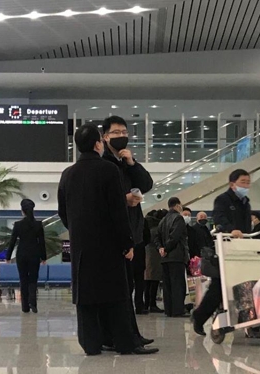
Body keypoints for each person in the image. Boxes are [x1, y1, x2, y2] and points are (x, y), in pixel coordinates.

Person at [57, 124, 157, 356]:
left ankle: (91, 344)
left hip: (81, 246)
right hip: (109, 244)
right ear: (97, 144)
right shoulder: (108, 170)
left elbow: (63, 212)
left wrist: (77, 231)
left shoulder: (68, 174)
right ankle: (124, 343)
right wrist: (127, 243)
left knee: (86, 296)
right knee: (116, 295)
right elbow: (117, 212)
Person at [102, 115, 153, 315]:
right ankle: (116, 334)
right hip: (114, 235)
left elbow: (147, 185)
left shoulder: (125, 162)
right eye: (116, 132)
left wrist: (132, 163)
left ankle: (130, 332)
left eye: (124, 132)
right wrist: (123, 199)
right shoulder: (104, 163)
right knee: (116, 287)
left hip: (134, 232)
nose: (121, 136)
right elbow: (98, 198)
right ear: (105, 137)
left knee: (130, 283)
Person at [191, 169, 252, 336]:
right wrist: (232, 230)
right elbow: (219, 219)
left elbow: (247, 226)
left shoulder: (246, 202)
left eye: (248, 182)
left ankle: (245, 320)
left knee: (243, 285)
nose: (246, 185)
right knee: (219, 287)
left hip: (242, 250)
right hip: (225, 248)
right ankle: (199, 316)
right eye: (243, 182)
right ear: (233, 184)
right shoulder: (222, 200)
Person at [6, 199, 47, 314]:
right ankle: (33, 304)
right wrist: (43, 257)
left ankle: (25, 307)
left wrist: (8, 256)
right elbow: (42, 242)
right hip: (35, 255)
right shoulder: (38, 224)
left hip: (22, 255)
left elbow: (12, 241)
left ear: (22, 211)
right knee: (33, 280)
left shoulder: (18, 225)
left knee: (23, 280)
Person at [155, 197, 190, 317]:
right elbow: (175, 236)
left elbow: (157, 237)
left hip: (165, 258)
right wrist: (166, 248)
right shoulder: (178, 218)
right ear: (177, 205)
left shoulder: (163, 220)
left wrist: (161, 248)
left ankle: (168, 310)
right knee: (177, 284)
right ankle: (178, 310)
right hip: (176, 255)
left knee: (167, 285)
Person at [144, 209, 167, 313]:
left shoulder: (148, 226)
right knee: (154, 281)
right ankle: (152, 304)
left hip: (148, 256)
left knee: (148, 281)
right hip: (155, 256)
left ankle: (147, 304)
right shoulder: (157, 229)